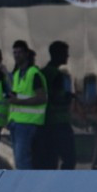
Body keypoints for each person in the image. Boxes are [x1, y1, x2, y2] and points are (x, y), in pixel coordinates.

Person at [35, 41, 76, 170]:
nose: (67, 56)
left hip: (44, 124)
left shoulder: (42, 73)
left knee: (48, 161)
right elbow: (58, 98)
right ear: (58, 54)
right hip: (59, 123)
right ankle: (62, 185)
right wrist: (69, 97)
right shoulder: (58, 75)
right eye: (65, 53)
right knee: (69, 159)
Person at [6, 40, 47, 170]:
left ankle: (26, 187)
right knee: (19, 160)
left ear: (26, 54)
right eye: (14, 52)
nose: (16, 55)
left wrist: (19, 101)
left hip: (28, 123)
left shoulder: (33, 74)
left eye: (19, 52)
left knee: (22, 159)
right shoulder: (17, 74)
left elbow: (41, 98)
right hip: (16, 122)